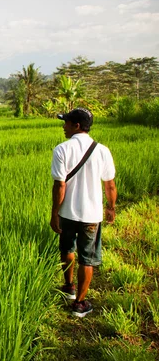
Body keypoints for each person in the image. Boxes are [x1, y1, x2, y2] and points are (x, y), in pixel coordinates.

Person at [50, 108, 117, 318]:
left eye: (67, 122)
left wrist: (54, 212)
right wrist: (111, 207)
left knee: (67, 247)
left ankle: (69, 286)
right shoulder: (102, 150)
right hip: (92, 215)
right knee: (86, 259)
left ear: (76, 126)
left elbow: (60, 186)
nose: (64, 126)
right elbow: (110, 185)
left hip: (68, 212)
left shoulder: (61, 149)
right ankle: (79, 303)